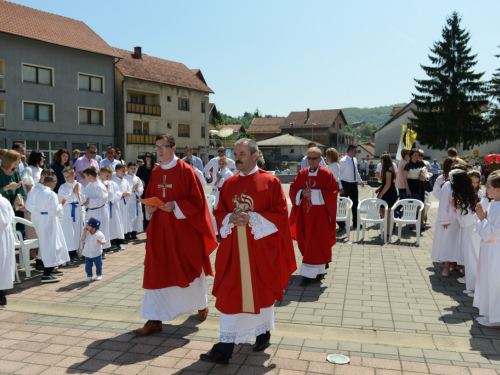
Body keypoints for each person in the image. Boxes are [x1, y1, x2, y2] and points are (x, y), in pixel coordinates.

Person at [200, 138, 296, 364]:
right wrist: (229, 217)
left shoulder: (270, 181)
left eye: (242, 153)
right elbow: (219, 210)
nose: (237, 157)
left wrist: (253, 218)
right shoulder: (230, 183)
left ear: (254, 156)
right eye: (236, 153)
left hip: (261, 250)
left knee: (260, 291)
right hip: (234, 250)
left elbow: (281, 214)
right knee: (232, 292)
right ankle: (225, 346)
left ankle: (262, 333)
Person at [133, 134, 218, 336]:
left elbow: (198, 202)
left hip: (183, 231)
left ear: (174, 148)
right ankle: (154, 319)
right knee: (157, 270)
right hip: (160, 231)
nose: (160, 151)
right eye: (157, 147)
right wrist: (150, 209)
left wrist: (176, 206)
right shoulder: (155, 172)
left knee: (189, 267)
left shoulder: (186, 171)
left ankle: (200, 303)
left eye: (164, 147)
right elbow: (151, 195)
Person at [290, 147, 338, 286]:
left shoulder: (327, 174)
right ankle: (319, 271)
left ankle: (308, 275)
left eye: (314, 158)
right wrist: (301, 192)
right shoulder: (302, 173)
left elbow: (332, 192)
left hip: (320, 216)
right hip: (305, 215)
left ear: (320, 159)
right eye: (308, 158)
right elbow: (293, 189)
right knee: (307, 241)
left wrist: (315, 194)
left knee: (317, 242)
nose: (310, 161)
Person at [474, 171, 500, 326]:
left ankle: (496, 317)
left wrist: (482, 219)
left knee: (495, 282)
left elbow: (494, 232)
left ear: (498, 189)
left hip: (495, 251)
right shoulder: (493, 203)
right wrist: (482, 216)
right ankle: (491, 314)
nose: (486, 188)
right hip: (489, 249)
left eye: (489, 186)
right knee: (488, 281)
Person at [34, 174, 69, 283]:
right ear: (54, 182)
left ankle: (51, 267)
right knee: (51, 245)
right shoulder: (51, 194)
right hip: (50, 221)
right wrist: (61, 203)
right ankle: (46, 274)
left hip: (42, 220)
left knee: (48, 245)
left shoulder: (39, 193)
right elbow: (55, 211)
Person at [455, 170, 483, 296]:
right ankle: (471, 285)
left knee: (474, 258)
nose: (474, 185)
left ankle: (476, 286)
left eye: (477, 182)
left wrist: (457, 211)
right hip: (469, 231)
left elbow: (466, 221)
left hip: (473, 231)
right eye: (472, 182)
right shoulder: (465, 195)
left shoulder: (477, 195)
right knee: (469, 258)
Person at [58, 167, 85, 265]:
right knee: (69, 233)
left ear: (74, 175)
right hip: (68, 212)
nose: (66, 179)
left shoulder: (80, 185)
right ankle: (70, 253)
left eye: (68, 176)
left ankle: (78, 252)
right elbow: (63, 200)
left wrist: (77, 194)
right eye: (64, 177)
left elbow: (83, 200)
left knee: (77, 231)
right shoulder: (62, 187)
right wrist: (74, 194)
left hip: (77, 211)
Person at [82, 166, 111, 252]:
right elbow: (86, 195)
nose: (85, 178)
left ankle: (102, 249)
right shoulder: (89, 185)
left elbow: (103, 199)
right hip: (91, 211)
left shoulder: (100, 186)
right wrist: (84, 200)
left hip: (99, 212)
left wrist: (89, 201)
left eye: (85, 176)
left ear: (90, 175)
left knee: (100, 230)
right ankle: (91, 247)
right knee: (90, 230)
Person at [337, 145, 364, 232]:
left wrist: (360, 181)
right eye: (355, 151)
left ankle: (356, 223)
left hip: (353, 185)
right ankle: (341, 225)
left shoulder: (355, 160)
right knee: (342, 205)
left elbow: (356, 171)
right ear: (350, 151)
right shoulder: (343, 161)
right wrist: (340, 187)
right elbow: (338, 175)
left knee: (355, 204)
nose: (356, 152)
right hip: (344, 184)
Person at [99, 166, 122, 254]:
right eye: (107, 176)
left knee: (113, 225)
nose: (109, 178)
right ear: (101, 174)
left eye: (111, 176)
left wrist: (113, 198)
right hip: (103, 208)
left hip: (112, 206)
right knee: (104, 227)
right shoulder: (98, 183)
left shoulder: (113, 184)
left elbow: (119, 194)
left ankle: (113, 243)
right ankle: (104, 246)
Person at [403, 148, 427, 229]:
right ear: (411, 156)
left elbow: (425, 173)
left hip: (420, 184)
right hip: (411, 184)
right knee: (412, 205)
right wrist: (407, 189)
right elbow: (405, 179)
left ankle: (421, 223)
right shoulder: (407, 165)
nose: (417, 156)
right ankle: (411, 222)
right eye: (415, 155)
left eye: (418, 155)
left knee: (421, 204)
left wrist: (423, 176)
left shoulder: (421, 163)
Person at [376, 154, 398, 239]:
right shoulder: (385, 170)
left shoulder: (389, 171)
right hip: (385, 191)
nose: (380, 162)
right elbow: (384, 183)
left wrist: (380, 195)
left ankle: (388, 231)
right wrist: (379, 189)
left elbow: (388, 184)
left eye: (382, 160)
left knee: (387, 211)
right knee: (381, 209)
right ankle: (387, 226)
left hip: (389, 193)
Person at [0, 194, 15, 306]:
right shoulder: (4, 199)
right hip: (4, 236)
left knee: (2, 265)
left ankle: (1, 296)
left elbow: (3, 222)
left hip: (2, 237)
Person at [81, 217, 106, 282]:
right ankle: (89, 276)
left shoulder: (100, 234)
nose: (86, 226)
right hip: (87, 254)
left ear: (93, 227)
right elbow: (82, 240)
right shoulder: (87, 233)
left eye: (88, 225)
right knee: (88, 266)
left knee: (98, 265)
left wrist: (100, 242)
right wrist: (84, 232)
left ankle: (99, 274)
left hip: (97, 253)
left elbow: (104, 242)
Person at [112, 164, 132, 243]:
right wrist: (122, 193)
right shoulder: (113, 181)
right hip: (117, 203)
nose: (124, 173)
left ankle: (124, 236)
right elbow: (114, 193)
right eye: (123, 171)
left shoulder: (125, 181)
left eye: (125, 171)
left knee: (124, 219)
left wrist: (125, 193)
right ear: (117, 171)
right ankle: (117, 239)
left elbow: (129, 192)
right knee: (118, 220)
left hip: (124, 203)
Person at [136, 152, 155, 229]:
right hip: (145, 189)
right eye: (146, 156)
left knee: (153, 206)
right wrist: (141, 180)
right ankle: (146, 225)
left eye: (150, 156)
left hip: (153, 189)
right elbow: (137, 178)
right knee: (146, 207)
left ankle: (153, 223)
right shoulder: (141, 168)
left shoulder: (155, 167)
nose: (148, 158)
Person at [125, 163, 144, 240]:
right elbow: (124, 189)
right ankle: (127, 234)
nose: (133, 170)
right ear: (128, 169)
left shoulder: (137, 178)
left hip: (136, 199)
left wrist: (137, 189)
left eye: (134, 168)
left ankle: (134, 233)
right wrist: (132, 188)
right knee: (129, 216)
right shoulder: (125, 178)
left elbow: (141, 189)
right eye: (131, 168)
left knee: (137, 216)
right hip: (129, 200)